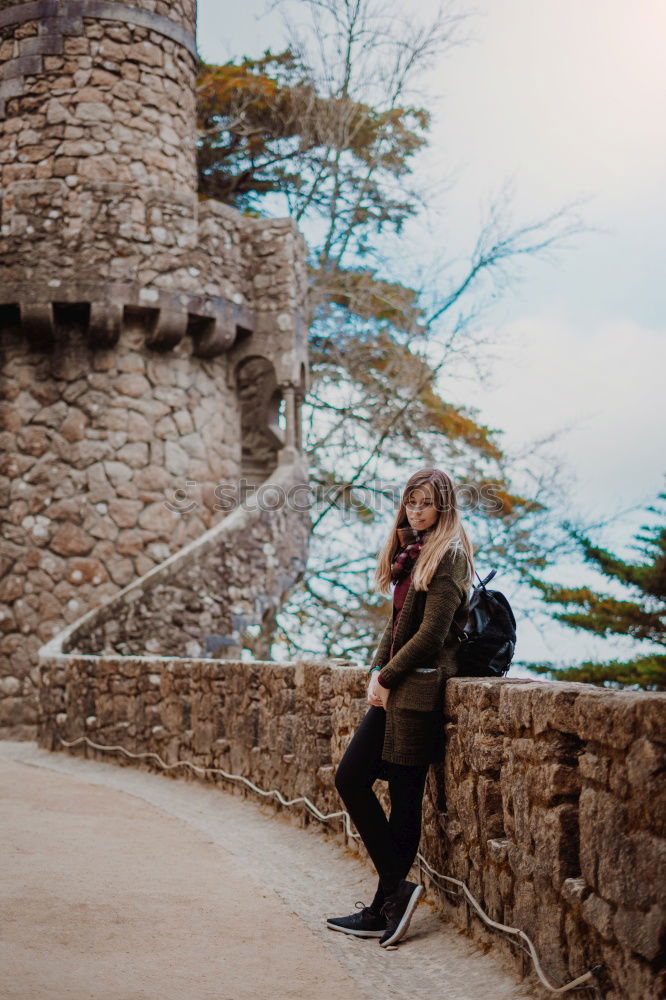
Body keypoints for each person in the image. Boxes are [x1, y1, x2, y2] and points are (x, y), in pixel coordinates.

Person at [326, 468, 474, 948]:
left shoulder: (448, 555)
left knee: (402, 797)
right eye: (411, 502)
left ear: (444, 507)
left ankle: (389, 900)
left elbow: (432, 635)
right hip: (395, 689)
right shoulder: (412, 553)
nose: (416, 511)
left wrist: (388, 677)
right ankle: (390, 898)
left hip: (420, 692)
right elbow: (397, 626)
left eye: (426, 503)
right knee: (353, 778)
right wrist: (375, 672)